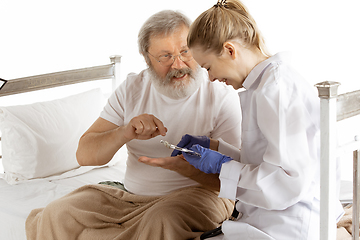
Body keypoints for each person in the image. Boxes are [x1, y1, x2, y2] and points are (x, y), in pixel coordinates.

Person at [25, 9, 242, 240]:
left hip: (200, 197)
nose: (179, 64)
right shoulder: (132, 89)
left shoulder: (221, 94)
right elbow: (84, 155)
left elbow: (235, 180)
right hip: (131, 198)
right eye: (165, 57)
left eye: (185, 52)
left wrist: (185, 169)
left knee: (163, 220)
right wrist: (124, 132)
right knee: (58, 213)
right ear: (146, 58)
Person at [144, 1, 345, 239]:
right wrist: (217, 148)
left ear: (230, 51)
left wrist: (222, 166)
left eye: (208, 67)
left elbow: (287, 183)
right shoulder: (266, 85)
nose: (210, 78)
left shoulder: (275, 89)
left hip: (289, 226)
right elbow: (269, 161)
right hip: (276, 217)